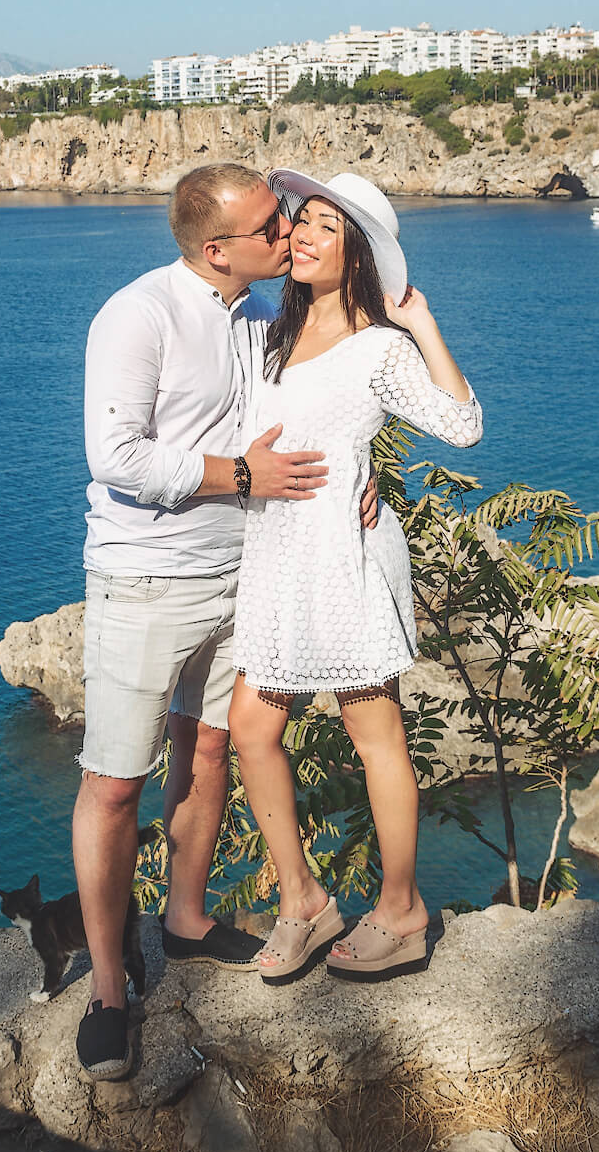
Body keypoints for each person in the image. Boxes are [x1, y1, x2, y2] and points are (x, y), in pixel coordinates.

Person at [71, 162, 331, 1082]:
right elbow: (116, 455)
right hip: (147, 579)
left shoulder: (259, 320)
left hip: (243, 570)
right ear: (216, 248)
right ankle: (108, 988)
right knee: (113, 784)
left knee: (210, 750)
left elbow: (311, 412)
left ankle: (183, 918)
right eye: (271, 226)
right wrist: (239, 476)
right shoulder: (136, 316)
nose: (288, 233)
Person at [228, 169, 482, 986]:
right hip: (275, 556)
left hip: (343, 555)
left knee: (376, 739)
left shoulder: (378, 346)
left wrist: (423, 323)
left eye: (326, 229)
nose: (302, 235)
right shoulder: (266, 329)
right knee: (252, 730)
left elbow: (464, 427)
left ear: (359, 255)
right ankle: (303, 901)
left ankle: (402, 910)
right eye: (303, 221)